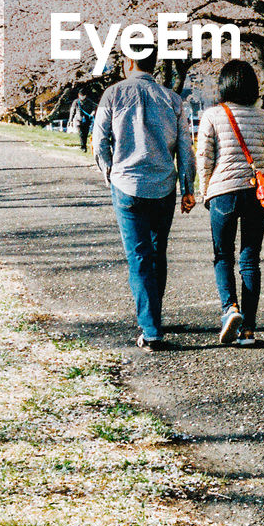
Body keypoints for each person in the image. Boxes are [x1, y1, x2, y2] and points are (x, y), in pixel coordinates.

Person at [93, 48, 196, 351]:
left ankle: (150, 329)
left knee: (138, 255)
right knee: (156, 252)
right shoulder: (173, 99)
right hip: (164, 184)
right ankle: (154, 315)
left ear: (130, 63)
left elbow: (99, 141)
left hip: (126, 184)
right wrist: (188, 187)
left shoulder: (112, 94)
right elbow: (185, 149)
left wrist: (109, 171)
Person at [196, 59, 264, 347]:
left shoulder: (213, 115)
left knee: (223, 255)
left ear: (224, 86)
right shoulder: (263, 117)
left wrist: (206, 191)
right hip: (256, 193)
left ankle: (230, 309)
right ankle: (249, 330)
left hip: (223, 193)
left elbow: (204, 158)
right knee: (250, 259)